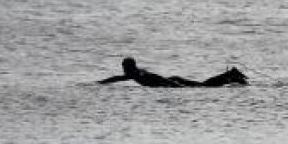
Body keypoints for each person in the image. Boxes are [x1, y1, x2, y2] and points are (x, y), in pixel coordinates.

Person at [98, 57, 247, 87]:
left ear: (129, 66)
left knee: (203, 87)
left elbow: (117, 78)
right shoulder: (135, 73)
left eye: (124, 66)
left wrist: (100, 83)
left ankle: (230, 76)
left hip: (170, 82)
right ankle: (230, 76)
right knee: (202, 85)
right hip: (170, 80)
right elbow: (119, 78)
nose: (123, 69)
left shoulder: (136, 73)